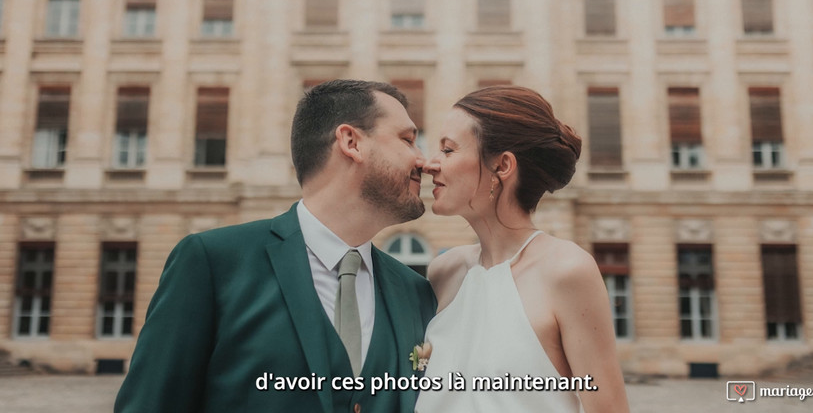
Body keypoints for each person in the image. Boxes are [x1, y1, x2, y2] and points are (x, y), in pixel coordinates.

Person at [115, 79, 437, 413]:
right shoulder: (214, 263)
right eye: (408, 140)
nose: (423, 160)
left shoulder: (415, 292)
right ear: (351, 141)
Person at [415, 85, 629, 413]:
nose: (430, 164)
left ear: (502, 166)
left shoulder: (566, 270)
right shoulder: (444, 272)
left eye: (448, 150)